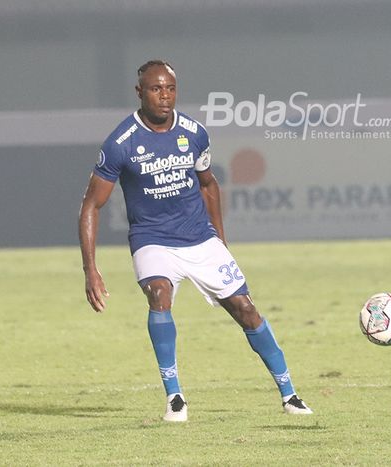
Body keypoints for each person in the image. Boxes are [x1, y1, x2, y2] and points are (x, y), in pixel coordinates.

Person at [78, 59, 312, 422]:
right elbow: (91, 204)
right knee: (159, 294)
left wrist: (220, 238)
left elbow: (209, 185)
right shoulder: (120, 143)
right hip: (151, 239)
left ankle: (290, 394)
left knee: (246, 310)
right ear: (140, 92)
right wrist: (90, 268)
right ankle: (174, 397)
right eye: (156, 89)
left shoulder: (195, 132)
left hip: (200, 238)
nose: (164, 96)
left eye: (170, 88)